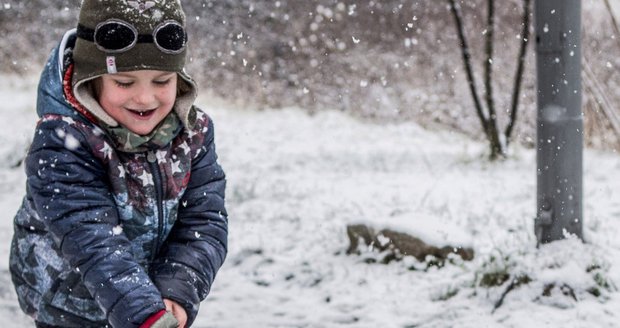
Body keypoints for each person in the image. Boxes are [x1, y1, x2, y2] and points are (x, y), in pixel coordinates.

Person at [9, 0, 228, 327]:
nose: (145, 98)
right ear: (91, 79)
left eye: (162, 81)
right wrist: (144, 313)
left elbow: (204, 221)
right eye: (124, 83)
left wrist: (177, 289)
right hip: (69, 308)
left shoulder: (193, 134)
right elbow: (92, 239)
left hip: (151, 301)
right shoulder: (63, 141)